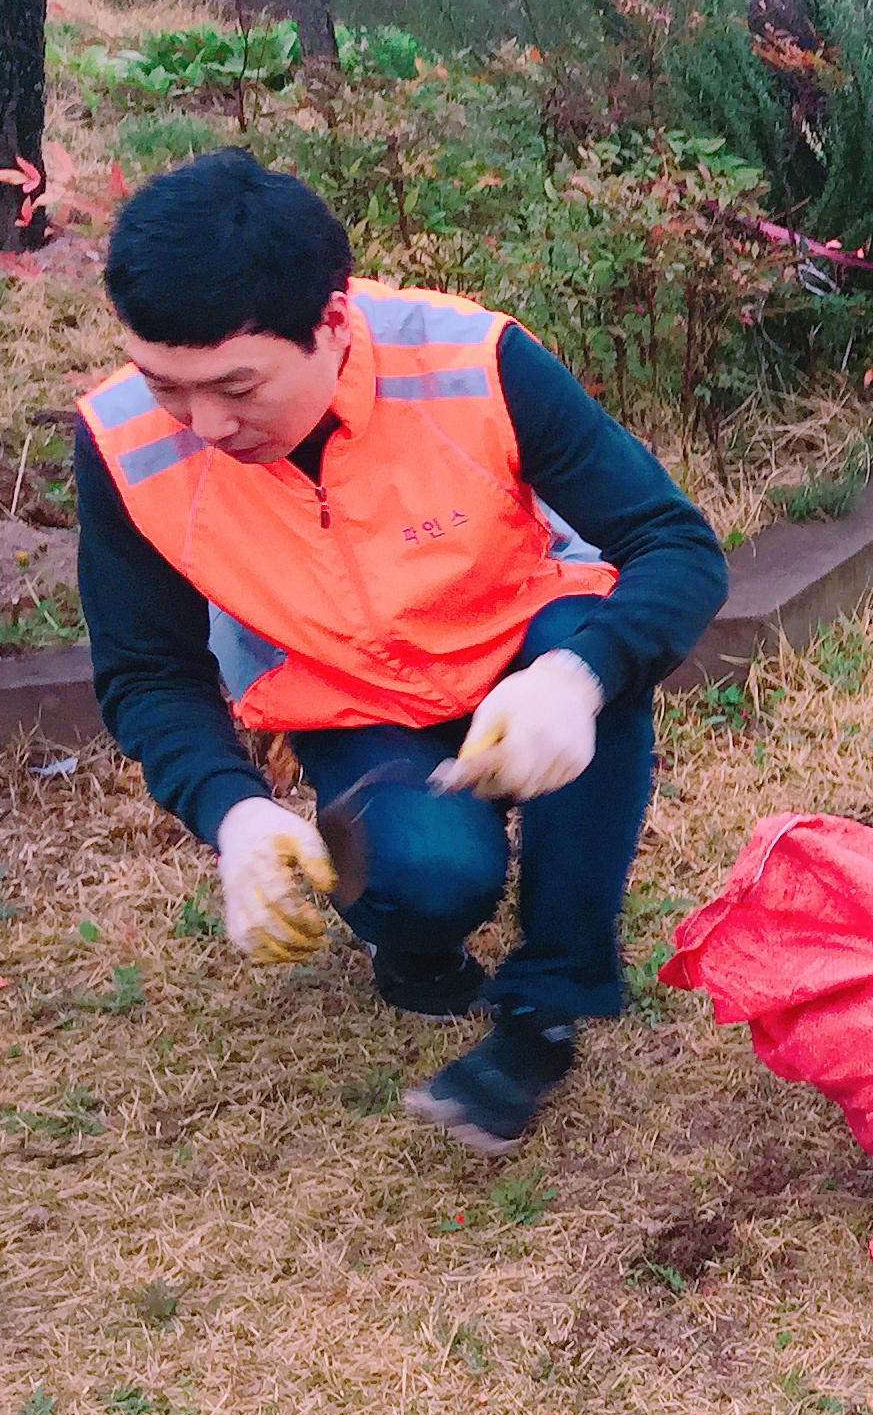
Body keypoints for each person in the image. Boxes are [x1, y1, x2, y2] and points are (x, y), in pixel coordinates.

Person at [75, 150, 727, 1154]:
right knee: (428, 876)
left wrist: (577, 677)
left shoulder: (474, 360)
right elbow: (148, 671)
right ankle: (416, 947)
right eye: (166, 386)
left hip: (517, 644)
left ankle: (550, 1001)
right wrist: (233, 813)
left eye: (237, 386)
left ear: (334, 322)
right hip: (347, 700)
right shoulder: (122, 442)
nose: (204, 425)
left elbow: (674, 546)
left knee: (594, 654)